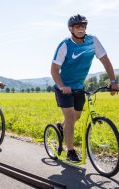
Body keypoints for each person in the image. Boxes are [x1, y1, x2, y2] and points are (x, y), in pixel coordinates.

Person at [51, 14, 119, 162]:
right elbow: (54, 70)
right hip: (63, 87)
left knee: (76, 117)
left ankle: (61, 127)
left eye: (83, 26)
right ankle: (70, 151)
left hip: (79, 87)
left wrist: (113, 80)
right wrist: (62, 86)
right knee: (69, 117)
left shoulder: (92, 41)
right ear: (71, 29)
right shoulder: (65, 45)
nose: (81, 28)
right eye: (77, 26)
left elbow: (105, 60)